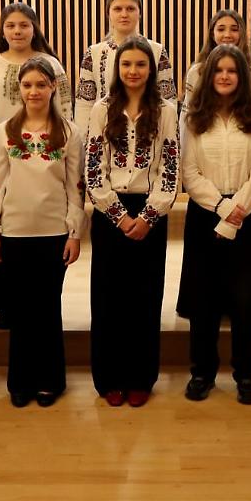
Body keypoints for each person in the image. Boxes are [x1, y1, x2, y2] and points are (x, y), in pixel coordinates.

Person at [0, 57, 83, 408]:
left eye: (41, 84)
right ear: (19, 89)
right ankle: (20, 381)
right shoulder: (5, 131)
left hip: (54, 232)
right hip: (14, 232)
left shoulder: (68, 131)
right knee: (21, 310)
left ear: (53, 87)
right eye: (28, 85)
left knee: (47, 309)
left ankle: (51, 380)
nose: (34, 91)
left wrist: (75, 232)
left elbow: (75, 187)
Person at [86, 36, 180, 407]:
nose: (133, 71)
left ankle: (141, 377)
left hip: (149, 216)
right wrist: (120, 218)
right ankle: (109, 377)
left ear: (151, 70)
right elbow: (94, 169)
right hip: (111, 215)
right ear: (116, 69)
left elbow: (169, 169)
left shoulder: (167, 111)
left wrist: (148, 216)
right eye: (127, 65)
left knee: (144, 298)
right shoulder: (101, 108)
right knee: (108, 299)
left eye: (141, 65)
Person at [179, 45, 251, 405]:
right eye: (219, 71)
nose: (225, 76)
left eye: (233, 71)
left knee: (247, 301)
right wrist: (220, 206)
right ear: (208, 76)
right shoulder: (193, 120)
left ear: (242, 78)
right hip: (205, 215)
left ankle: (247, 375)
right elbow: (189, 171)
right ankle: (202, 372)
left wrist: (237, 210)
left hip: (247, 216)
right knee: (203, 300)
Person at [0, 2, 72, 329]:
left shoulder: (52, 66)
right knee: (1, 224)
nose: (17, 31)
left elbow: (66, 111)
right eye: (11, 25)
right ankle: (4, 304)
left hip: (43, 160)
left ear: (35, 28)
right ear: (2, 30)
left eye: (24, 25)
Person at [74, 0, 177, 135]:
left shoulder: (157, 51)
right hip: (105, 137)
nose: (124, 14)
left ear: (139, 13)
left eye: (130, 8)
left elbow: (168, 99)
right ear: (108, 13)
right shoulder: (93, 53)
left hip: (149, 134)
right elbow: (84, 104)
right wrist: (85, 142)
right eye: (117, 9)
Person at [182, 8, 251, 117]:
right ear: (213, 34)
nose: (227, 35)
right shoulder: (196, 72)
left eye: (234, 30)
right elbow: (186, 118)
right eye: (221, 29)